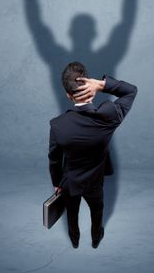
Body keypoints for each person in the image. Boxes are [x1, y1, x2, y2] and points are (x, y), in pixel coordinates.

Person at [48, 61, 137, 249]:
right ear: (90, 85)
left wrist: (56, 183)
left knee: (72, 214)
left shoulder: (57, 124)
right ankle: (96, 239)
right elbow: (130, 91)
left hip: (70, 182)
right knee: (97, 212)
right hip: (95, 182)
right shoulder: (109, 115)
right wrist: (103, 85)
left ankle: (75, 240)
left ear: (68, 94)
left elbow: (54, 159)